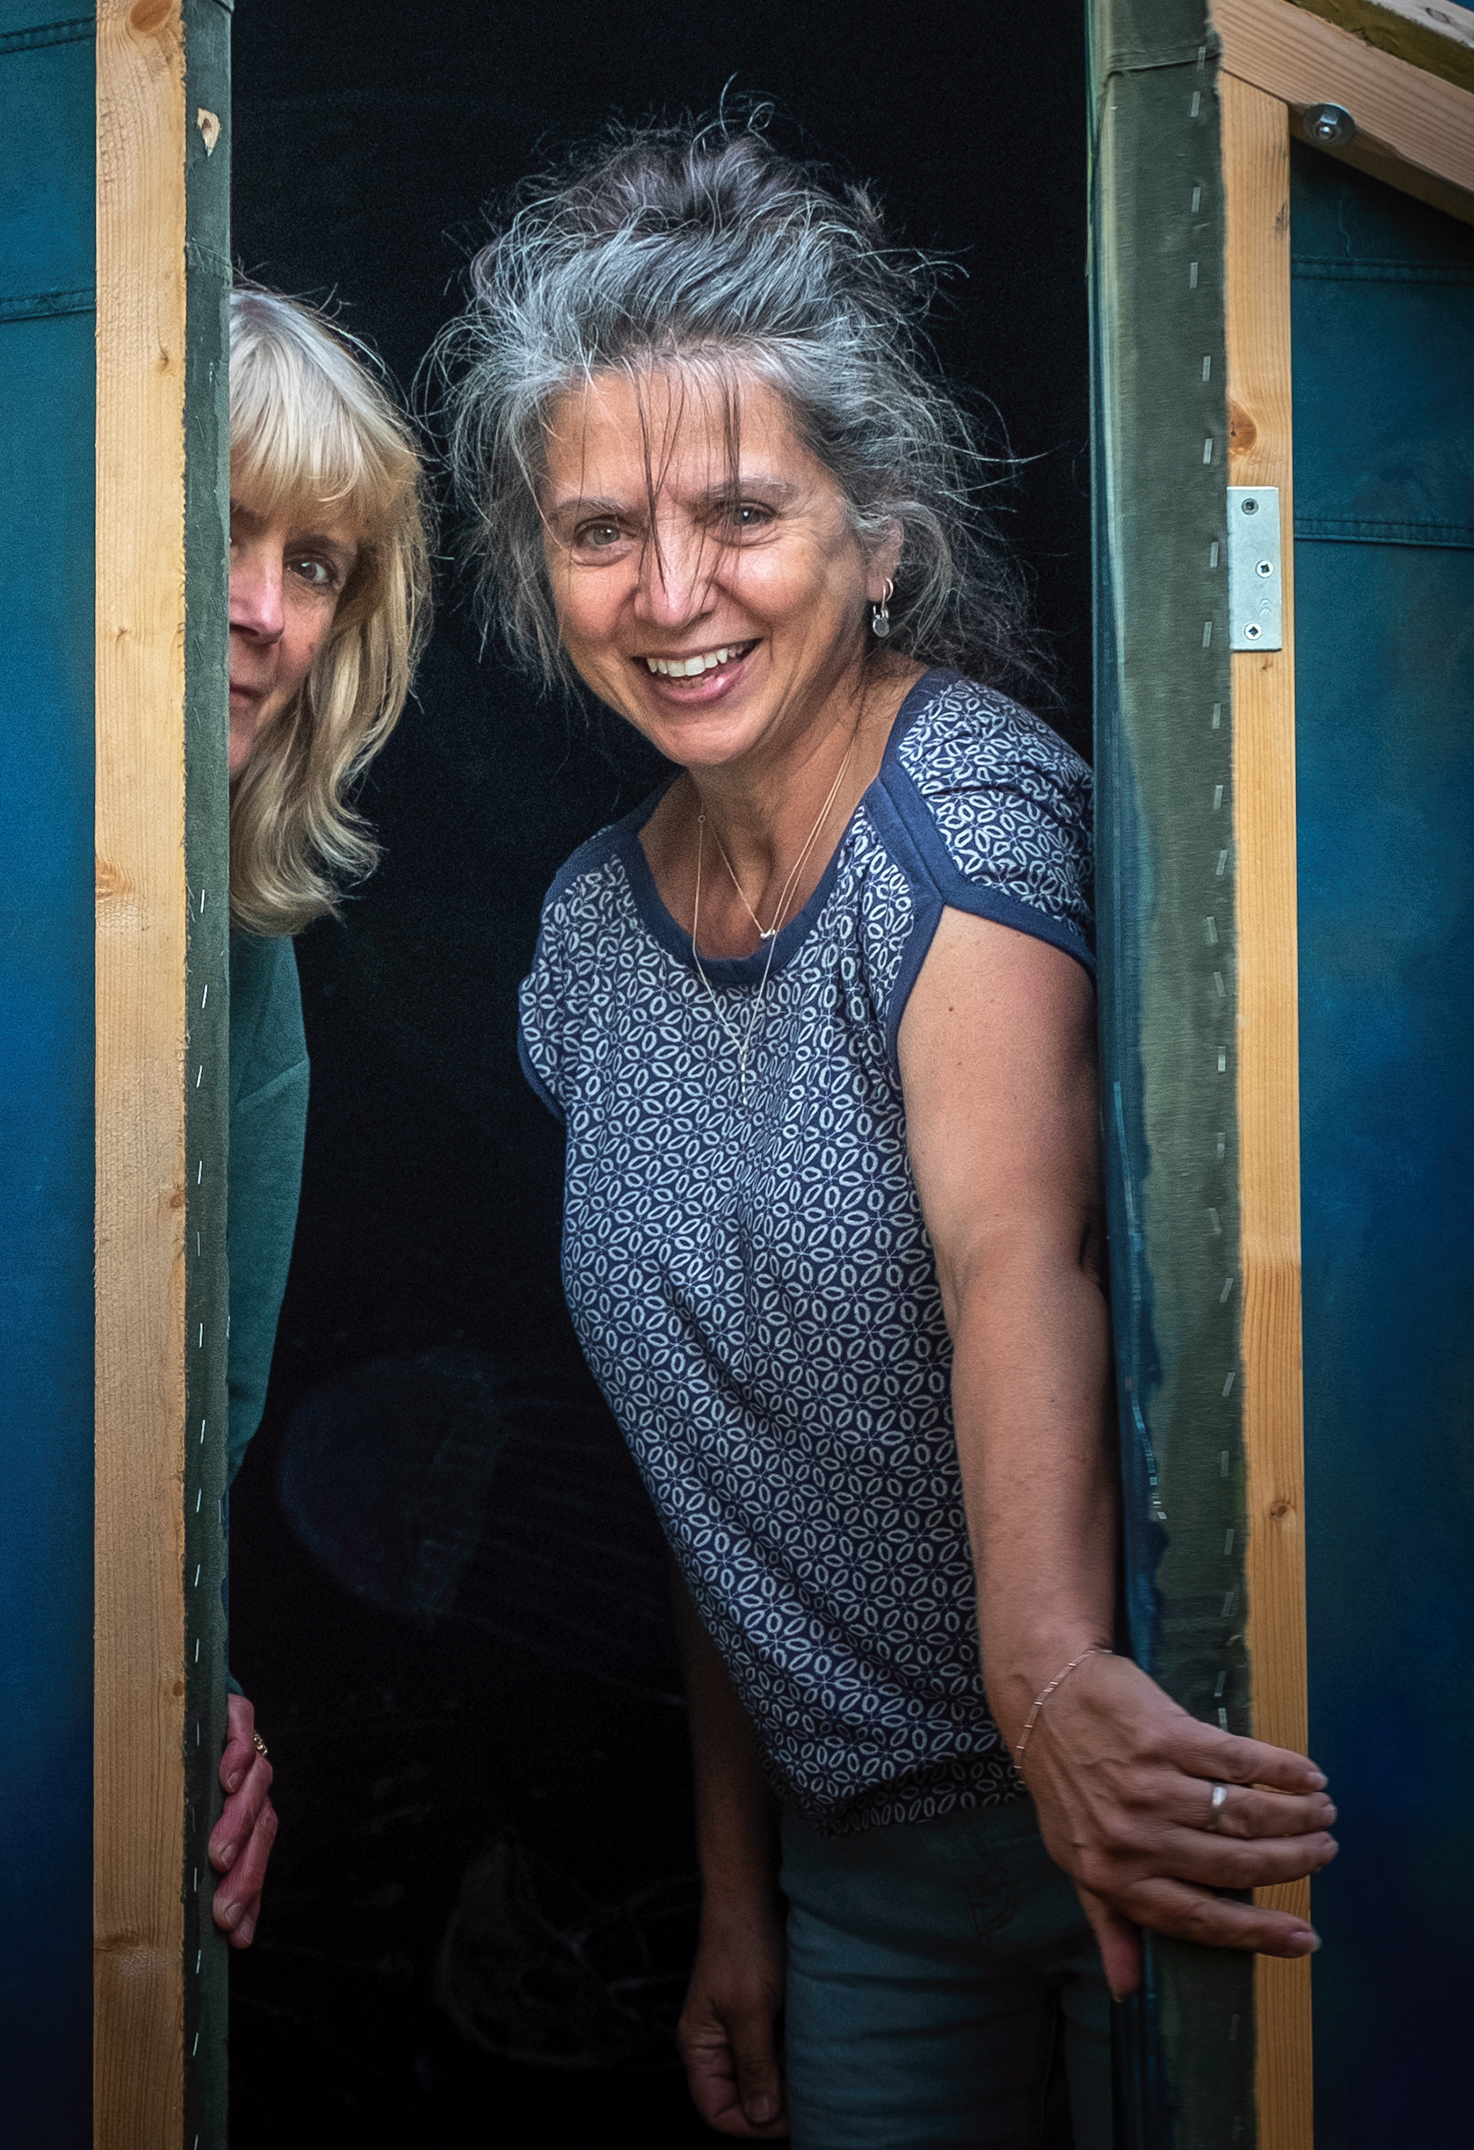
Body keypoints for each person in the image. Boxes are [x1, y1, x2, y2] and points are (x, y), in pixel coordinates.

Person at [435, 122, 1335, 2146]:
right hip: (864, 1884)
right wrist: (739, 1897)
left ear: (877, 528)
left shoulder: (975, 821)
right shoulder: (589, 937)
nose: (672, 594)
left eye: (742, 511)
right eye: (600, 531)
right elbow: (714, 1457)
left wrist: (1047, 1694)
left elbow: (1022, 1255)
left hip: (1117, 1798)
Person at [206, 284, 432, 1951]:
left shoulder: (245, 962)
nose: (259, 610)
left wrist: (186, 1698)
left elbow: (194, 1417)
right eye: (219, 529)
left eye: (315, 564)